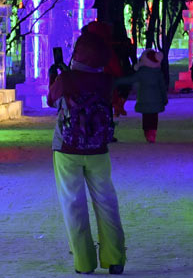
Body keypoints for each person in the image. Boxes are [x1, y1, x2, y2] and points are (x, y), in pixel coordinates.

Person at [48, 21, 126, 275]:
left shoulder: (67, 77)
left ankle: (84, 262)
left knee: (74, 204)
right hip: (98, 148)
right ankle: (115, 258)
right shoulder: (105, 80)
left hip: (67, 148)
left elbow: (52, 101)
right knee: (106, 202)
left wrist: (56, 77)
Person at [113, 50, 168, 143]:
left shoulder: (142, 72)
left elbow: (130, 79)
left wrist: (116, 81)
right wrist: (164, 98)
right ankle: (152, 133)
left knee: (146, 117)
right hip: (156, 99)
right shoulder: (158, 73)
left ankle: (147, 133)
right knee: (154, 117)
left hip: (144, 99)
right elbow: (162, 86)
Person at [110, 22, 138, 116]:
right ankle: (119, 106)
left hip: (114, 68)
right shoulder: (126, 42)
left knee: (116, 88)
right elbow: (132, 56)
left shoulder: (111, 42)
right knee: (125, 87)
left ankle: (117, 107)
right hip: (124, 68)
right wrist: (135, 65)